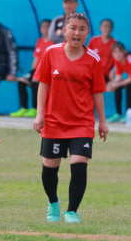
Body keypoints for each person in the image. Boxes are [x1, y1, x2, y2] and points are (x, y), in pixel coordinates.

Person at [33, 13, 109, 225]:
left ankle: (72, 211)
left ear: (88, 32)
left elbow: (97, 92)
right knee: (49, 169)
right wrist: (40, 114)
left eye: (82, 29)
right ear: (64, 31)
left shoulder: (93, 59)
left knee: (79, 166)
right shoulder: (51, 53)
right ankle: (53, 202)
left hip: (82, 122)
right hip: (54, 122)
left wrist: (102, 121)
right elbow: (43, 85)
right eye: (73, 28)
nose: (77, 32)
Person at [11, 19, 52, 118]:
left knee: (35, 83)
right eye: (44, 27)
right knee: (21, 81)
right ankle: (24, 108)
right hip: (36, 70)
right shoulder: (40, 41)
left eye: (48, 27)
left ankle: (35, 109)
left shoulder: (53, 43)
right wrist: (30, 74)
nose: (46, 29)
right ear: (40, 29)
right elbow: (36, 59)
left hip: (46, 71)